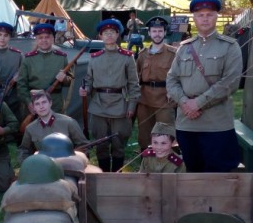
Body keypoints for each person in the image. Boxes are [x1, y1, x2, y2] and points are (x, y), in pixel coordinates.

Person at [166, 0, 242, 173]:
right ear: (194, 18)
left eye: (209, 14)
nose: (205, 18)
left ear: (217, 17)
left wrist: (197, 103)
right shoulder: (184, 48)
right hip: (186, 123)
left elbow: (230, 83)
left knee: (218, 173)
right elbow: (171, 79)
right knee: (192, 171)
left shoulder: (229, 47)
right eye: (200, 15)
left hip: (216, 124)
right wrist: (185, 102)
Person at [79, 19, 140, 172]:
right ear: (100, 36)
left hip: (119, 105)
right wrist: (85, 89)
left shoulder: (127, 57)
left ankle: (117, 175)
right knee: (101, 144)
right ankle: (104, 175)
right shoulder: (94, 58)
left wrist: (131, 106)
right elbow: (89, 80)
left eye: (112, 32)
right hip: (98, 105)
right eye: (105, 33)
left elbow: (133, 84)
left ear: (117, 34)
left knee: (119, 144)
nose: (109, 35)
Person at [136, 16, 178, 151]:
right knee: (144, 134)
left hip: (164, 99)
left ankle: (166, 162)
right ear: (149, 33)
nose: (157, 34)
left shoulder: (173, 53)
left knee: (165, 133)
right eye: (154, 31)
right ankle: (147, 161)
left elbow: (179, 76)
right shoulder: (142, 54)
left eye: (160, 31)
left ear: (165, 32)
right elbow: (136, 76)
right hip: (145, 99)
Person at [18, 90, 89, 163]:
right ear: (33, 108)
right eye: (37, 104)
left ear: (50, 103)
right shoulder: (30, 128)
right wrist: (28, 164)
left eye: (44, 102)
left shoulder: (68, 122)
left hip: (68, 165)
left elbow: (84, 146)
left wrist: (75, 159)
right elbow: (24, 150)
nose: (41, 106)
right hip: (44, 166)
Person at [17, 23, 72, 115]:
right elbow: (21, 84)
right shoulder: (28, 59)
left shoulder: (61, 58)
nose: (44, 40)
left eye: (47, 37)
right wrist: (28, 102)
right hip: (35, 102)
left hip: (55, 103)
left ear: (52, 39)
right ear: (36, 40)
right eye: (40, 37)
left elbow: (69, 81)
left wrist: (65, 79)